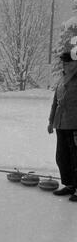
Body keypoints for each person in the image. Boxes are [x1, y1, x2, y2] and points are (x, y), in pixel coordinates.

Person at [48, 51, 77, 202]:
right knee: (62, 157)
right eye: (63, 63)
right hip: (61, 124)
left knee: (75, 158)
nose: (64, 65)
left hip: (74, 125)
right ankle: (70, 185)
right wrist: (51, 121)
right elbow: (55, 101)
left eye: (68, 63)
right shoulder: (62, 78)